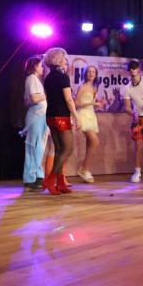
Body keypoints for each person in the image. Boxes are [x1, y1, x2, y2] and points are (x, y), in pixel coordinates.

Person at [43, 47, 81, 195]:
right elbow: (68, 99)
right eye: (65, 58)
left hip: (50, 116)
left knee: (59, 150)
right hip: (61, 116)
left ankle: (60, 183)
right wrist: (76, 117)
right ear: (59, 59)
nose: (66, 60)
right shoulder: (63, 77)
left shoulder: (48, 77)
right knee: (68, 149)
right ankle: (50, 180)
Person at [21, 57, 48, 190]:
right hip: (37, 115)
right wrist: (48, 95)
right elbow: (34, 98)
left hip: (39, 115)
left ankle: (37, 176)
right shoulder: (32, 78)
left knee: (38, 146)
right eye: (41, 65)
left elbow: (27, 100)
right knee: (34, 146)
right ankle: (31, 177)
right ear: (35, 67)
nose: (43, 68)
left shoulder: (34, 80)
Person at [75, 66, 104, 183]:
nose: (91, 73)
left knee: (90, 144)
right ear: (85, 74)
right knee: (95, 141)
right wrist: (92, 103)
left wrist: (98, 105)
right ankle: (84, 169)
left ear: (96, 74)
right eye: (89, 72)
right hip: (83, 115)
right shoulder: (82, 86)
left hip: (91, 115)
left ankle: (85, 171)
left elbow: (93, 104)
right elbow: (76, 103)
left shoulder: (94, 87)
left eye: (93, 72)